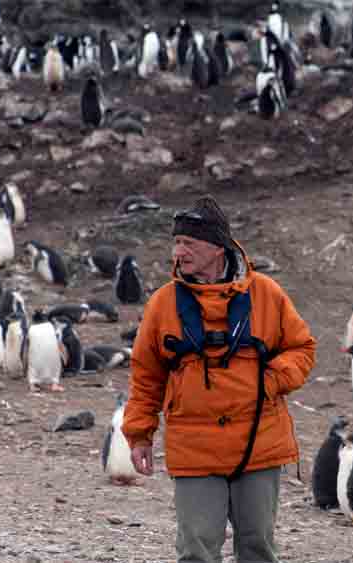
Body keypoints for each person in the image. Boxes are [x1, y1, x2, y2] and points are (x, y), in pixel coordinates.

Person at [122, 195, 317, 563]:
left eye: (189, 243)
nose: (178, 252)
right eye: (176, 242)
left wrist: (271, 381)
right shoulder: (163, 304)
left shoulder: (266, 294)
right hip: (194, 446)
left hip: (258, 442)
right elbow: (147, 375)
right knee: (196, 549)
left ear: (217, 247)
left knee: (258, 547)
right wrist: (139, 434)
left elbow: (302, 348)